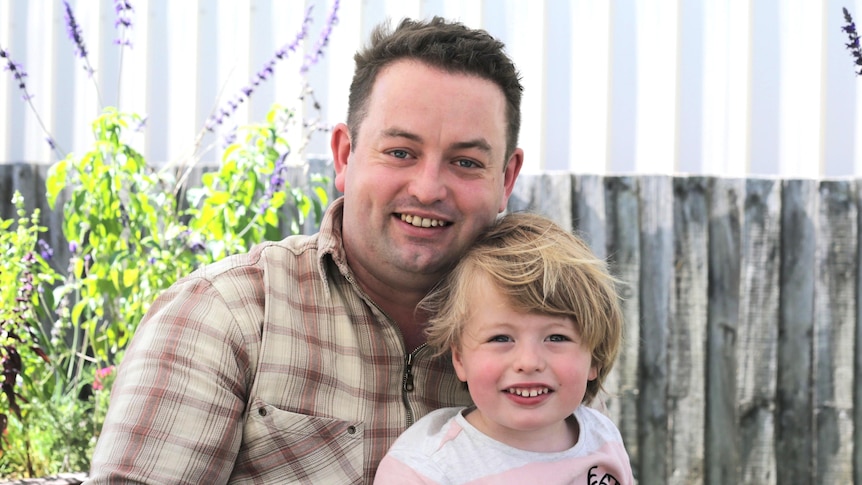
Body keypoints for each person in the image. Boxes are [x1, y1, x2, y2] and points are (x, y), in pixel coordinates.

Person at [86, 16, 523, 484]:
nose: (428, 187)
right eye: (400, 152)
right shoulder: (227, 315)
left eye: (466, 162)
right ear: (343, 155)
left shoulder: (545, 326)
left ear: (506, 180)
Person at [373, 212, 633, 484]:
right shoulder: (427, 468)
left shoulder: (602, 437)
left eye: (556, 338)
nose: (529, 361)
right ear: (460, 358)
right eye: (500, 338)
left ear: (594, 358)